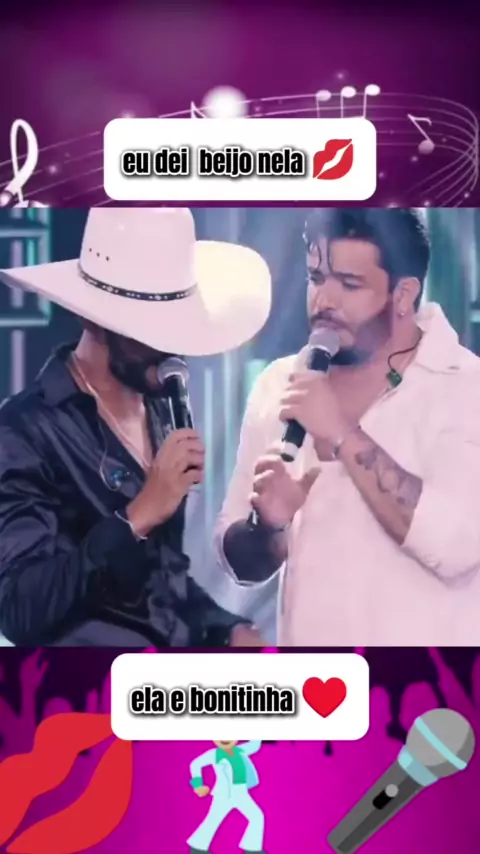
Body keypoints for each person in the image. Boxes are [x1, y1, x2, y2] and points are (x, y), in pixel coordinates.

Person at [0, 207, 272, 647]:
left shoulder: (161, 409)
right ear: (93, 319)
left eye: (174, 323)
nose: (168, 346)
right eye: (147, 328)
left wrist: (224, 628)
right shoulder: (24, 432)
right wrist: (135, 517)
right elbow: (21, 610)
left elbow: (162, 581)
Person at [215, 207, 480, 647]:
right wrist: (269, 530)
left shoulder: (464, 387)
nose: (324, 301)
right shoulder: (279, 383)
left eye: (350, 284)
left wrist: (340, 433)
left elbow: (457, 546)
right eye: (316, 278)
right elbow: (238, 563)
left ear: (403, 294)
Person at [188, 740, 266, 854]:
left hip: (241, 792)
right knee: (213, 820)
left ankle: (252, 849)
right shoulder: (214, 754)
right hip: (224, 794)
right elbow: (195, 764)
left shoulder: (241, 750)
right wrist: (198, 785)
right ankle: (197, 848)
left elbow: (255, 745)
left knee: (257, 816)